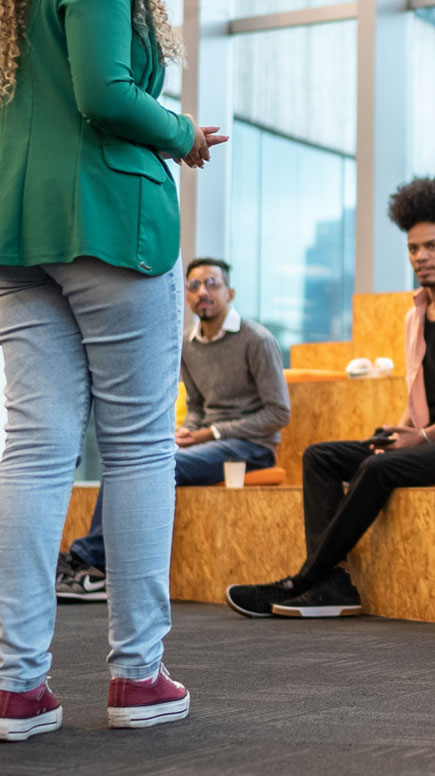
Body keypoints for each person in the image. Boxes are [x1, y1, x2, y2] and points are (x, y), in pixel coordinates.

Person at [0, 0, 219, 741]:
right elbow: (106, 95)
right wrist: (182, 131)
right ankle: (137, 676)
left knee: (34, 451)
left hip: (16, 227)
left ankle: (17, 689)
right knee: (143, 445)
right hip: (110, 223)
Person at [224, 178, 435, 618]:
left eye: (432, 246)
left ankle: (304, 579)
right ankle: (335, 583)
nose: (421, 257)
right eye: (414, 248)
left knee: (378, 467)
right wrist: (402, 429)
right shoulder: (412, 315)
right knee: (319, 457)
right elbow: (421, 392)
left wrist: (421, 435)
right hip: (425, 436)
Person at [56, 257, 289, 600]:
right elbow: (197, 408)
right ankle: (98, 565)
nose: (202, 292)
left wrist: (209, 433)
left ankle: (95, 564)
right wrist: (184, 432)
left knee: (163, 463)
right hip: (208, 444)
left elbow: (278, 413)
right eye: (193, 285)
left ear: (230, 292)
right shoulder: (187, 345)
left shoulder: (257, 340)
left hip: (251, 449)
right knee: (130, 456)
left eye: (212, 284)